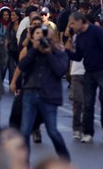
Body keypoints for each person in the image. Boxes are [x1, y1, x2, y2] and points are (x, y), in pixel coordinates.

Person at [18, 25, 71, 161]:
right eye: (39, 36)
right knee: (25, 131)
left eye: (47, 37)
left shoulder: (59, 53)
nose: (43, 39)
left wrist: (48, 53)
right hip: (30, 94)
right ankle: (23, 163)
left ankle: (65, 161)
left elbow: (60, 71)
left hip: (49, 95)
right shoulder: (32, 52)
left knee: (52, 131)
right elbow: (22, 66)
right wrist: (34, 49)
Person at [66, 11, 103, 143]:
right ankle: (88, 132)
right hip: (88, 72)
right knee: (88, 104)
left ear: (79, 21)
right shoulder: (79, 37)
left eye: (72, 23)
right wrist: (65, 51)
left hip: (102, 71)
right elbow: (78, 56)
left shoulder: (96, 31)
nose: (71, 26)